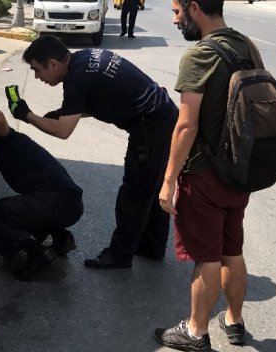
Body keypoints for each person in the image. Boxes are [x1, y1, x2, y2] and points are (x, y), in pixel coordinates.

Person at [11, 35, 178, 269]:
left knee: (135, 191)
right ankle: (151, 246)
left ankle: (119, 255)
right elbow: (98, 101)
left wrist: (27, 116)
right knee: (150, 186)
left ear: (53, 64)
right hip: (162, 117)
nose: (38, 77)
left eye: (37, 70)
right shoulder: (83, 59)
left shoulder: (77, 78)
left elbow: (63, 131)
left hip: (151, 126)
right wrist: (65, 112)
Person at [154, 0, 257, 352]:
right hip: (239, 173)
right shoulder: (248, 46)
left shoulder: (200, 55)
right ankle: (234, 320)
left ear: (194, 7)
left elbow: (186, 125)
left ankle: (196, 332)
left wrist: (168, 181)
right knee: (233, 250)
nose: (174, 18)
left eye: (176, 10)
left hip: (204, 176)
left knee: (207, 257)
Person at [0, 106, 84, 280]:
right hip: (69, 205)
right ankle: (61, 237)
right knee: (21, 207)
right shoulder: (6, 160)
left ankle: (38, 253)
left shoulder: (5, 143)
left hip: (59, 201)